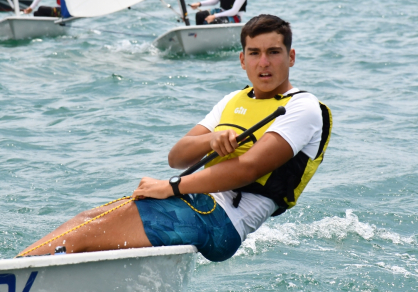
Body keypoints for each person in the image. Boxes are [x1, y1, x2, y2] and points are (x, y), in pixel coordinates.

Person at [19, 15, 332, 262]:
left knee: (84, 234)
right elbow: (178, 156)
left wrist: (169, 187)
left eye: (273, 53)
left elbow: (247, 169)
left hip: (221, 221)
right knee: (87, 219)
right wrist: (211, 140)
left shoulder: (303, 106)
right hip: (198, 203)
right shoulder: (232, 100)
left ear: (291, 57)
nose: (264, 62)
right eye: (255, 53)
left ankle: (14, 277)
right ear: (242, 60)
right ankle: (26, 267)